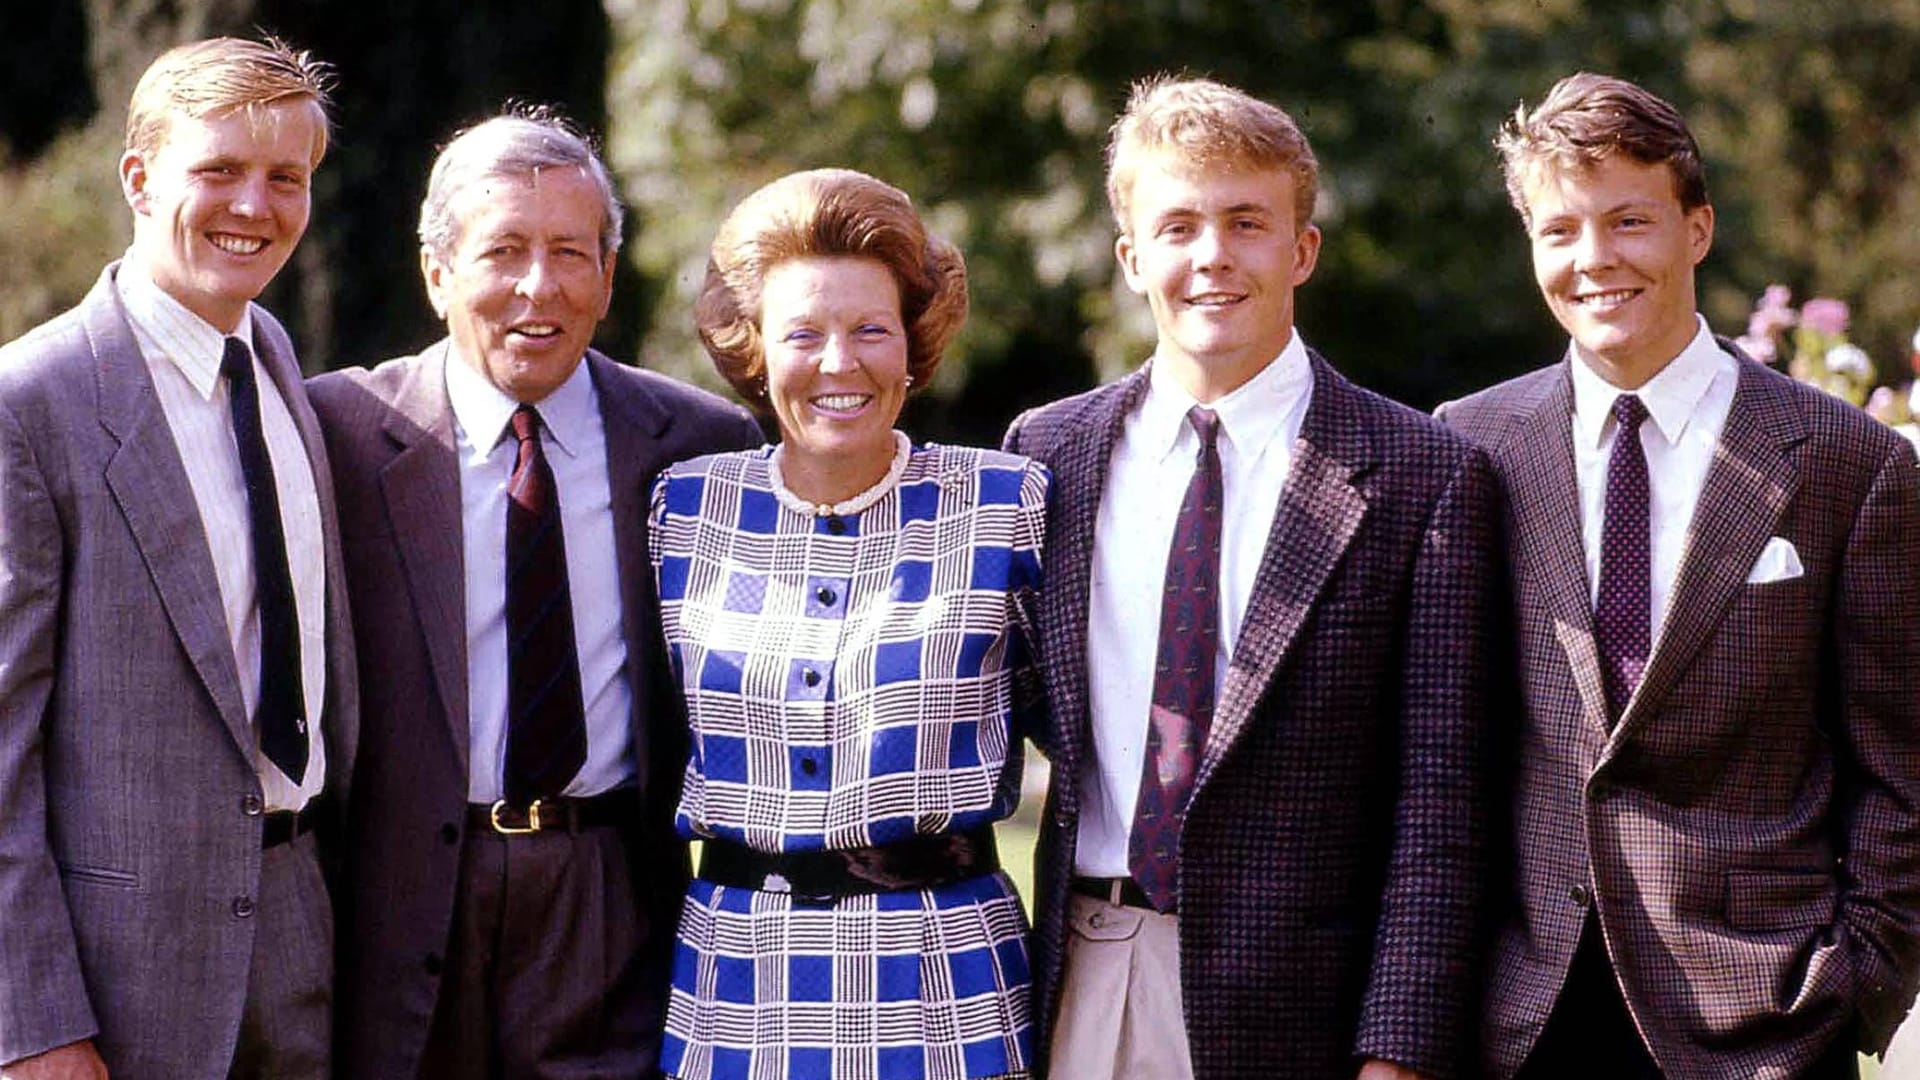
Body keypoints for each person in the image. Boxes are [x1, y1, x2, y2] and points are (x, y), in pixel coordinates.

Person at [1003, 75, 1500, 1080]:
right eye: (1177, 225)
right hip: (1091, 967)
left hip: (1307, 1005)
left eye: (1246, 222)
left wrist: (1396, 1053)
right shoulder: (1047, 454)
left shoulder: (1421, 473)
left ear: (1302, 249)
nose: (1212, 255)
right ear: (1131, 255)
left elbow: (1443, 801)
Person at [1439, 72, 1920, 1079]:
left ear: (1696, 229)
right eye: (1559, 229)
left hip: (1767, 1027)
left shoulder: (1846, 462)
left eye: (1628, 221)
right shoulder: (1468, 447)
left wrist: (1858, 981)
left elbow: (1904, 766)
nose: (1594, 259)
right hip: (1518, 1023)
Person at [306, 109, 761, 1079]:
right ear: (438, 274)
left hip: (607, 894)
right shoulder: (335, 434)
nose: (537, 286)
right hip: (400, 896)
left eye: (570, 252)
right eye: (503, 250)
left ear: (606, 275)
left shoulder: (698, 445)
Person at [0, 36, 356, 1080]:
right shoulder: (33, 404)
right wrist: (32, 1025)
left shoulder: (277, 356)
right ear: (140, 176)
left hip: (297, 926)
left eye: (284, 178)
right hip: (117, 979)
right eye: (219, 171)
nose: (254, 205)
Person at [648, 167, 1049, 1080]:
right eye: (803, 334)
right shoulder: (683, 511)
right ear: (753, 349)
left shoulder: (1005, 504)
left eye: (871, 329)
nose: (840, 363)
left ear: (913, 342)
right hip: (737, 985)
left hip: (945, 980)